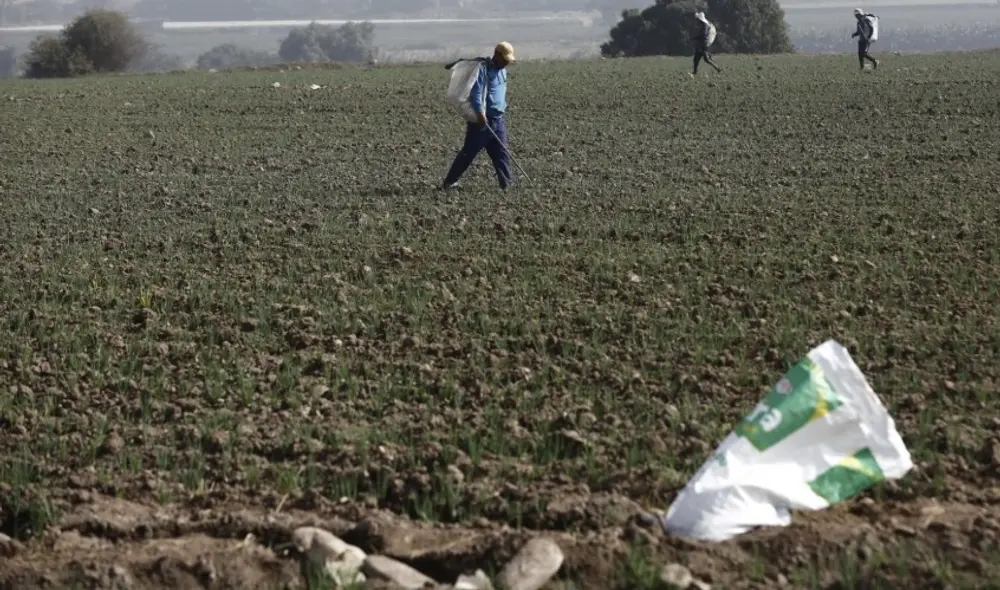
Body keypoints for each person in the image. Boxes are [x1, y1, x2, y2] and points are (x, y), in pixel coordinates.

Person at [441, 42, 516, 190]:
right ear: (497, 55)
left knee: (502, 154)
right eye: (505, 59)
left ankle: (507, 185)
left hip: (498, 120)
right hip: (482, 122)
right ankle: (449, 182)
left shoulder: (503, 71)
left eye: (508, 60)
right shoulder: (483, 70)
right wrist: (480, 114)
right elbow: (476, 93)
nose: (507, 62)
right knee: (468, 153)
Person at [691, 11, 721, 76]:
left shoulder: (705, 25)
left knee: (706, 59)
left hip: (703, 44)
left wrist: (695, 38)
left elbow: (704, 35)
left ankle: (718, 68)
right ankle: (695, 72)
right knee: (696, 58)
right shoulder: (702, 25)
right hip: (700, 44)